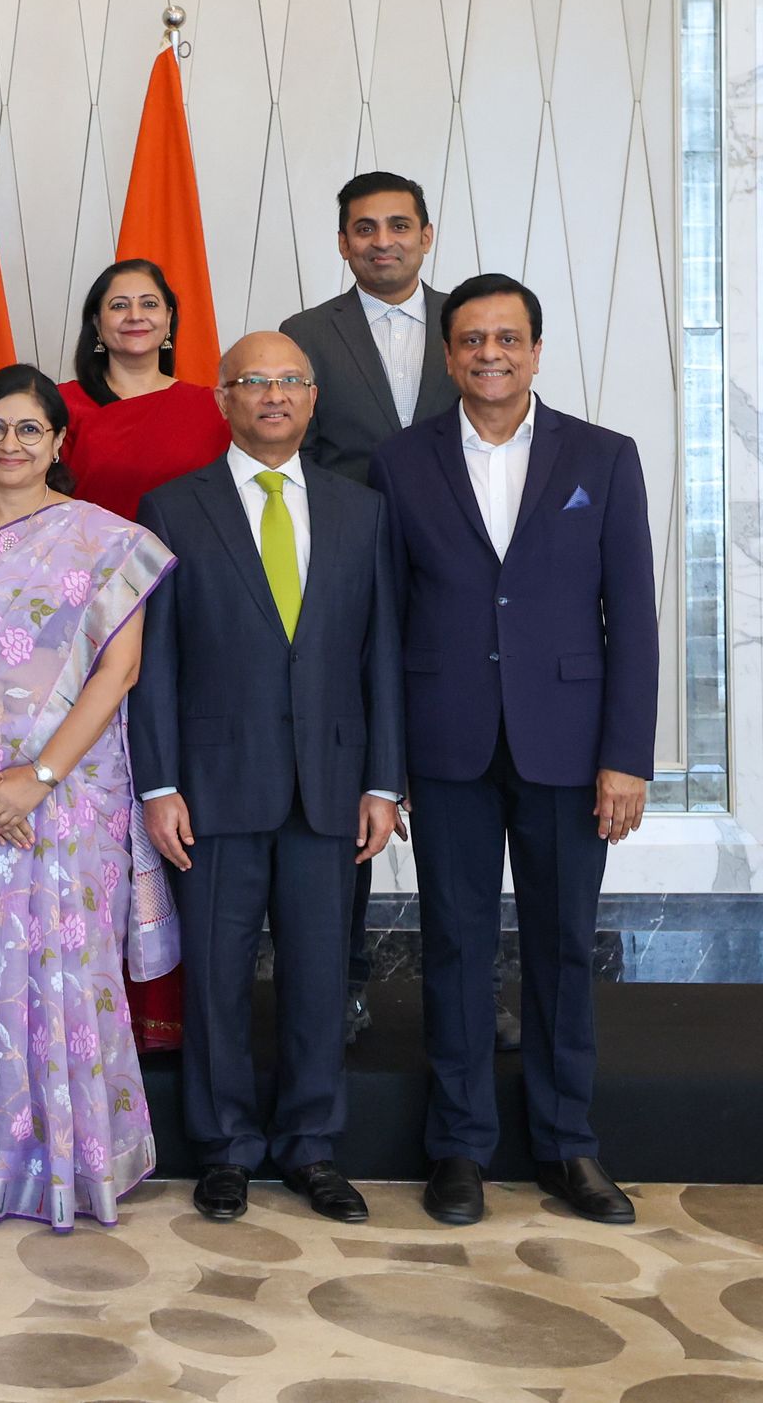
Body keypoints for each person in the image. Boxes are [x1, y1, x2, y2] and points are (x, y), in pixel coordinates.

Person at [370, 276, 656, 1228]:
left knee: (563, 944)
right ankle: (459, 1146)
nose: (489, 353)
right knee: (454, 945)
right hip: (444, 739)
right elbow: (384, 619)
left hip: (570, 746)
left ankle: (568, 1143)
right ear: (448, 355)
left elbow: (634, 617)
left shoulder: (604, 456)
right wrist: (387, 762)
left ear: (536, 350)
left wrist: (627, 754)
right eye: (471, 339)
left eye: (507, 338)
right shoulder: (399, 461)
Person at [129, 332, 404, 1224]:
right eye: (254, 380)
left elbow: (381, 655)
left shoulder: (362, 510)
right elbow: (155, 660)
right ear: (224, 398)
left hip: (331, 785)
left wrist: (385, 781)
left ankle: (311, 1144)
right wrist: (158, 784)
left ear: (314, 398)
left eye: (291, 380)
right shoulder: (174, 506)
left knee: (320, 975)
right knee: (215, 977)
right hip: (212, 788)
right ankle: (226, 1148)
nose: (273, 395)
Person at [0, 366, 171, 1228]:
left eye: (28, 429)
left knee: (69, 972)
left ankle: (78, 1164)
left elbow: (118, 671)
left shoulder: (107, 541)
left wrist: (37, 777)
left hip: (70, 793)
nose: (10, 444)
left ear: (58, 441)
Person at [281, 173, 481, 1047]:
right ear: (343, 242)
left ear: (427, 235)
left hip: (454, 591)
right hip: (343, 588)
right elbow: (291, 456)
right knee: (343, 794)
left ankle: (467, 994)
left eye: (400, 225)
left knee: (458, 804)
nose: (383, 240)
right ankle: (344, 984)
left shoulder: (469, 326)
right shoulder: (303, 334)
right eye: (364, 228)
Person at [56, 258, 223, 1050]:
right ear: (96, 323)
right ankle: (97, 1010)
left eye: (148, 302)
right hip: (84, 640)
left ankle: (172, 1012)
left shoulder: (212, 408)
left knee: (179, 813)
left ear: (170, 320)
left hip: (196, 630)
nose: (133, 315)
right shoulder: (60, 408)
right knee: (95, 826)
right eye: (116, 304)